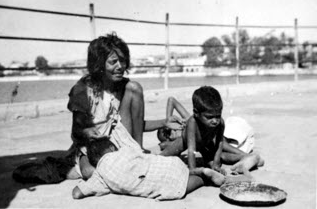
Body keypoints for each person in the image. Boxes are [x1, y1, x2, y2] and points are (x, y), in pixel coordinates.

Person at [13, 33, 182, 184]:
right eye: (113, 62)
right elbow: (77, 133)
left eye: (123, 61)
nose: (120, 66)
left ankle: (137, 153)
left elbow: (132, 124)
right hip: (94, 145)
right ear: (100, 64)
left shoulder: (124, 87)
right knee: (90, 173)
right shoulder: (83, 91)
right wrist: (90, 134)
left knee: (135, 87)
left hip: (123, 142)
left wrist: (164, 122)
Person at [72, 137, 226, 200]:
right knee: (179, 170)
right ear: (112, 148)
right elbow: (142, 155)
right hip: (168, 164)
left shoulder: (100, 175)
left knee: (186, 184)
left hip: (162, 185)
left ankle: (203, 177)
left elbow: (77, 193)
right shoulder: (124, 152)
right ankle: (202, 171)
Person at [157, 87, 264, 175]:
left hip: (205, 144)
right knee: (161, 158)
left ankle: (247, 158)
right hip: (187, 143)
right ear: (196, 113)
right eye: (210, 117)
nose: (215, 121)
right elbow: (191, 149)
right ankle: (247, 157)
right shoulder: (192, 122)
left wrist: (216, 164)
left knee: (217, 159)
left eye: (218, 116)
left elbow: (219, 144)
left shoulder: (219, 122)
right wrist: (192, 168)